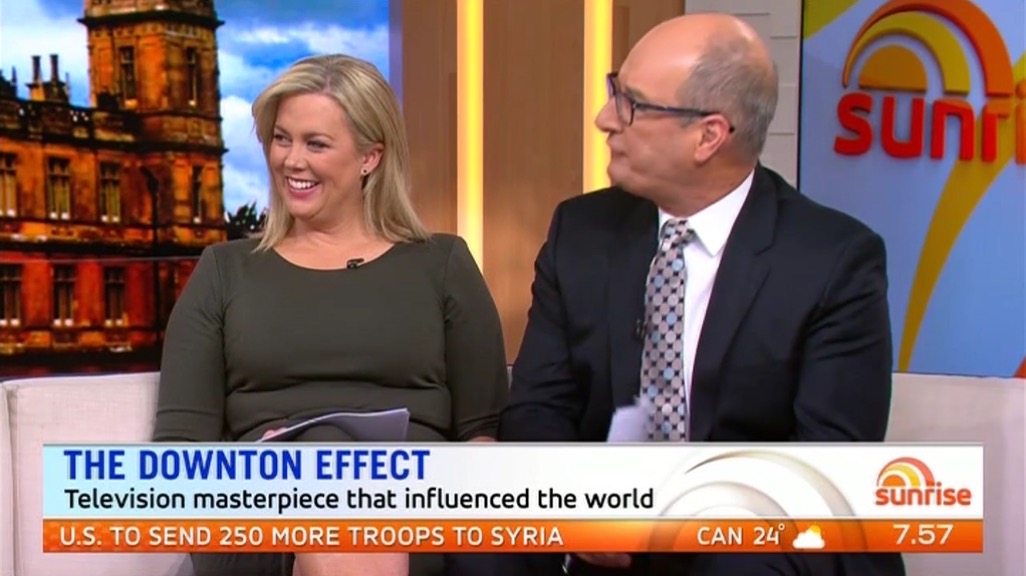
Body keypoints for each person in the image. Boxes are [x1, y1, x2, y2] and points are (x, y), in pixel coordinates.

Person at [497, 13, 905, 576]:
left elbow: (826, 462)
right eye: (615, 91)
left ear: (708, 136)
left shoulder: (834, 260)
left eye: (631, 104)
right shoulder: (581, 232)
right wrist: (578, 504)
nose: (605, 118)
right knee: (483, 546)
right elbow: (537, 409)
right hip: (606, 527)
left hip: (759, 535)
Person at [153, 54, 509, 576]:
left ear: (371, 156)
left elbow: (483, 435)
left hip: (417, 510)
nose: (291, 160)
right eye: (282, 139)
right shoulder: (224, 271)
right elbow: (179, 455)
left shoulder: (442, 264)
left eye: (315, 144)